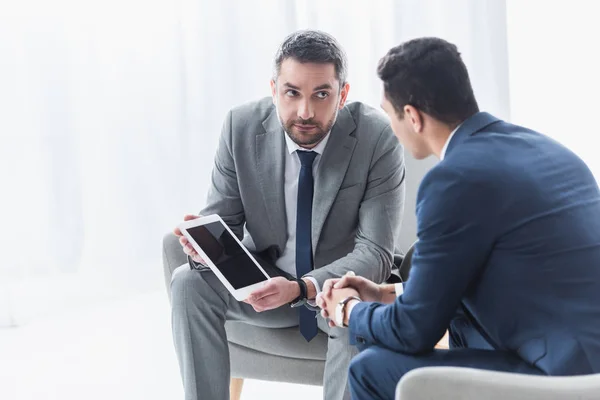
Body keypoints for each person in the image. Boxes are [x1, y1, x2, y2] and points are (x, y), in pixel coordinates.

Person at [317, 37, 600, 400]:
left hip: (563, 381)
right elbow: (498, 273)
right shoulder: (549, 150)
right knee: (456, 318)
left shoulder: (452, 180)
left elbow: (413, 331)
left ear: (413, 117)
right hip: (585, 361)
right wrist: (383, 294)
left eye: (390, 114)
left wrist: (350, 310)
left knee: (371, 369)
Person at [169, 30, 405, 400]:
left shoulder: (377, 138)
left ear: (343, 94)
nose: (305, 112)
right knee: (188, 283)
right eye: (292, 93)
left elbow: (375, 252)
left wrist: (302, 288)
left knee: (354, 314)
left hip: (339, 285)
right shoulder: (240, 127)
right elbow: (225, 225)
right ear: (274, 89)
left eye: (321, 94)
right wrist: (206, 248)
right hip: (266, 279)